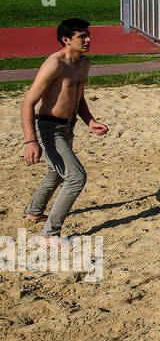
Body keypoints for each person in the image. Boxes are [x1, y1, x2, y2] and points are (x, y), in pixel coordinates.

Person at [20, 18, 110, 250]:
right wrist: (30, 141)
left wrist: (89, 120)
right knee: (76, 177)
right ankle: (50, 234)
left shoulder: (84, 62)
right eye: (82, 37)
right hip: (49, 128)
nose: (88, 39)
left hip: (68, 127)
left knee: (57, 172)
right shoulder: (54, 64)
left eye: (88, 35)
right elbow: (28, 102)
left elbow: (78, 97)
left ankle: (34, 212)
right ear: (66, 40)